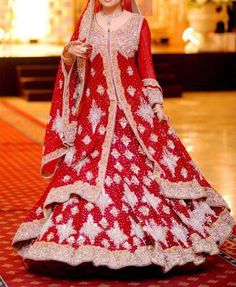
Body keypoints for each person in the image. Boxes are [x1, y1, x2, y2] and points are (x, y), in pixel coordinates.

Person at [12, 0, 234, 274]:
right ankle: (79, 244)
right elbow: (71, 67)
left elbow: (146, 70)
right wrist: (69, 53)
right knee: (85, 179)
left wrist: (157, 106)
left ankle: (153, 242)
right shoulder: (86, 23)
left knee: (149, 175)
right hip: (95, 123)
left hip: (133, 119)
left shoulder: (138, 24)